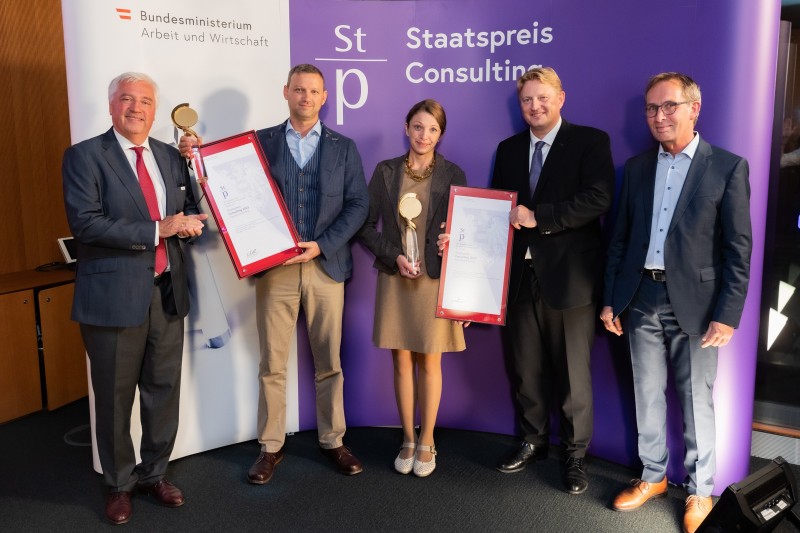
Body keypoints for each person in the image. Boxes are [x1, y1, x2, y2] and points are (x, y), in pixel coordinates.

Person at [181, 63, 369, 483]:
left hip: (325, 266)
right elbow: (229, 185)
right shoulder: (260, 143)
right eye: (299, 89)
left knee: (329, 363)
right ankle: (270, 447)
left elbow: (359, 205)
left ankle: (333, 440)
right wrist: (199, 157)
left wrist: (322, 244)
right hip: (275, 270)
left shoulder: (343, 147)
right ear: (286, 92)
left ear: (324, 97)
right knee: (272, 364)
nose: (306, 97)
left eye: (314, 91)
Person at [602, 72, 751, 533]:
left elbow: (738, 248)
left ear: (694, 108)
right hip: (640, 297)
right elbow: (620, 240)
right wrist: (610, 300)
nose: (658, 116)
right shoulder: (637, 168)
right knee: (646, 393)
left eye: (669, 106)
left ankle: (700, 490)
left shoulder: (726, 167)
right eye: (651, 108)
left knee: (695, 399)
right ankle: (653, 477)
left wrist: (727, 314)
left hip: (699, 306)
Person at [62, 72, 208, 525]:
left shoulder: (170, 155)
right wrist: (157, 229)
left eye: (145, 101)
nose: (136, 108)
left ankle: (154, 474)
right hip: (112, 298)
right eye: (127, 99)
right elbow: (86, 223)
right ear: (112, 106)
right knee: (114, 398)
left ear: (154, 109)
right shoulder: (85, 156)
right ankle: (119, 485)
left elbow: (194, 207)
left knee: (163, 392)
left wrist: (196, 178)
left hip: (167, 292)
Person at [490, 67, 615, 495]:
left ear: (561, 98)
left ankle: (575, 455)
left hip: (571, 280)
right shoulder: (508, 149)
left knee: (573, 376)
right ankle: (532, 440)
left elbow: (598, 198)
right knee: (525, 369)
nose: (535, 106)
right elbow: (497, 210)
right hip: (519, 278)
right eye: (527, 99)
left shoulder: (589, 142)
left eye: (543, 97)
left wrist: (539, 217)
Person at [358, 99, 467, 477]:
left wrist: (453, 239)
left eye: (432, 129)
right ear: (406, 128)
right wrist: (394, 257)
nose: (424, 135)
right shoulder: (385, 171)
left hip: (433, 280)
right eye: (418, 127)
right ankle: (407, 437)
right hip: (396, 277)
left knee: (430, 361)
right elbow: (365, 225)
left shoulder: (453, 173)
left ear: (441, 135)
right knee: (401, 360)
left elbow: (465, 230)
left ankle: (428, 440)